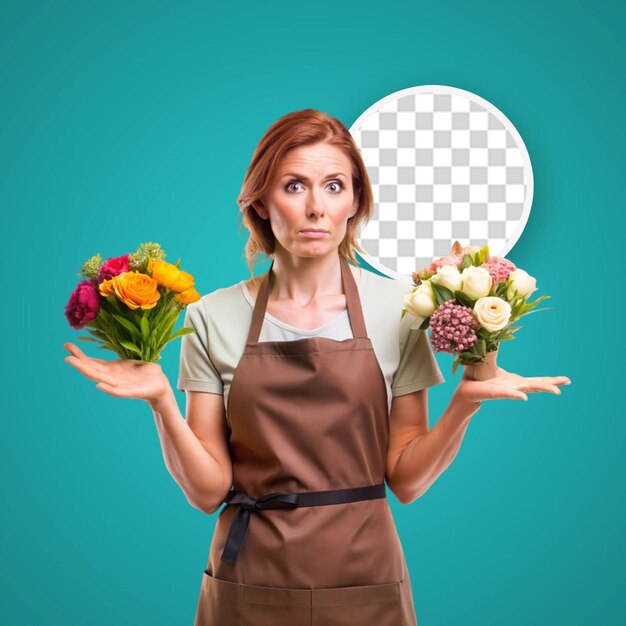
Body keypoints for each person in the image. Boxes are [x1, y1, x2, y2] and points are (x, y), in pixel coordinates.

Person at [63, 109, 571, 625]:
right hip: (250, 578)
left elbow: (407, 481)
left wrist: (464, 404)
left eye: (333, 186)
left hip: (365, 577)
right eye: (293, 186)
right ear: (260, 201)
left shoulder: (402, 309)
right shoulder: (210, 316)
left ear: (355, 201)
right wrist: (161, 402)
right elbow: (207, 491)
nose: (315, 208)